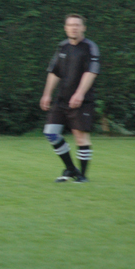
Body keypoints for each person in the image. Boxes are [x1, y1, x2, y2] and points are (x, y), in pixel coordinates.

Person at [40, 14, 100, 183]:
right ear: (65, 28)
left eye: (77, 25)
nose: (74, 28)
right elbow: (54, 72)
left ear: (83, 28)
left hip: (82, 100)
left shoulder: (90, 47)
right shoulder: (62, 47)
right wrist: (47, 94)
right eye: (70, 25)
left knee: (80, 137)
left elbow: (91, 72)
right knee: (51, 132)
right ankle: (71, 169)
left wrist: (80, 93)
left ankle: (82, 176)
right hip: (61, 99)